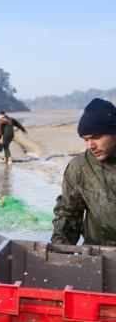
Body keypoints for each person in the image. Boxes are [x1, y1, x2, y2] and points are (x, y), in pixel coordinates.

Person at [52, 98, 116, 246]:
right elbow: (68, 215)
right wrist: (60, 255)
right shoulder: (79, 167)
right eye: (85, 139)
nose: (90, 145)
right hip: (98, 253)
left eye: (96, 137)